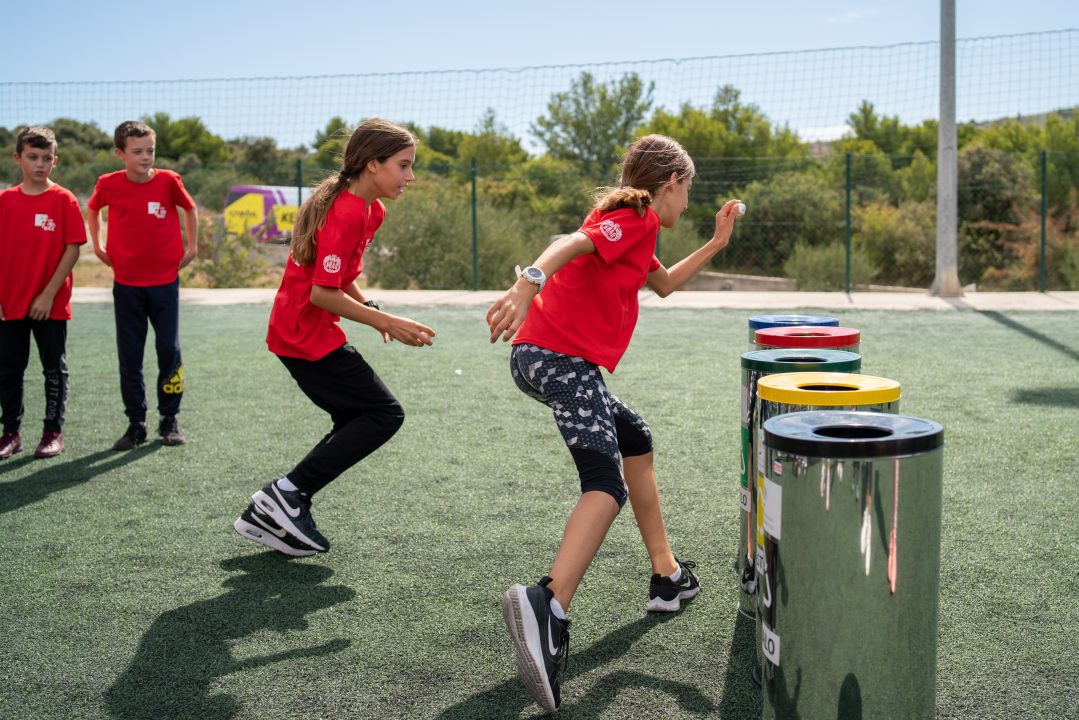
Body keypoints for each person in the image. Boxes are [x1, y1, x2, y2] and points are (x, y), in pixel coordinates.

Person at [486, 134, 742, 712]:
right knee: (604, 485)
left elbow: (664, 284)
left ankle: (667, 575)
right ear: (669, 183)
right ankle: (546, 603)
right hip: (558, 358)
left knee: (634, 437)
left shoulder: (640, 227)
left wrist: (717, 242)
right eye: (689, 188)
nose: (689, 200)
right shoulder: (633, 213)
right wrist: (528, 282)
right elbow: (571, 242)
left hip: (556, 361)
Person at [233, 118, 435, 557]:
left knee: (359, 416)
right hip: (302, 334)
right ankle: (285, 495)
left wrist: (371, 309)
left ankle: (281, 502)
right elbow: (323, 294)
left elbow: (340, 279)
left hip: (307, 330)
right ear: (372, 164)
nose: (410, 177)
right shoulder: (344, 212)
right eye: (403, 166)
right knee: (383, 414)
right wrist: (385, 323)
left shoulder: (370, 209)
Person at [87, 121, 198, 450]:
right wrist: (98, 246)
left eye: (150, 150)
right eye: (137, 151)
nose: (146, 156)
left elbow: (189, 209)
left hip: (165, 283)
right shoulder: (108, 184)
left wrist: (192, 248)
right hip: (126, 285)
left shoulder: (168, 180)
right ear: (120, 153)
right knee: (130, 355)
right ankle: (136, 423)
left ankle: (169, 418)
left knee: (169, 350)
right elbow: (93, 210)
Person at [0, 126, 87, 459]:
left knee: (54, 368)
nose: (39, 164)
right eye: (32, 157)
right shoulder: (5, 201)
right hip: (10, 304)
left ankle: (53, 432)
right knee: (9, 369)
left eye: (46, 158)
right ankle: (10, 433)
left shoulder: (62, 199)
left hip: (50, 304)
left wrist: (48, 294)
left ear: (55, 161)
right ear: (17, 158)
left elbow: (72, 249)